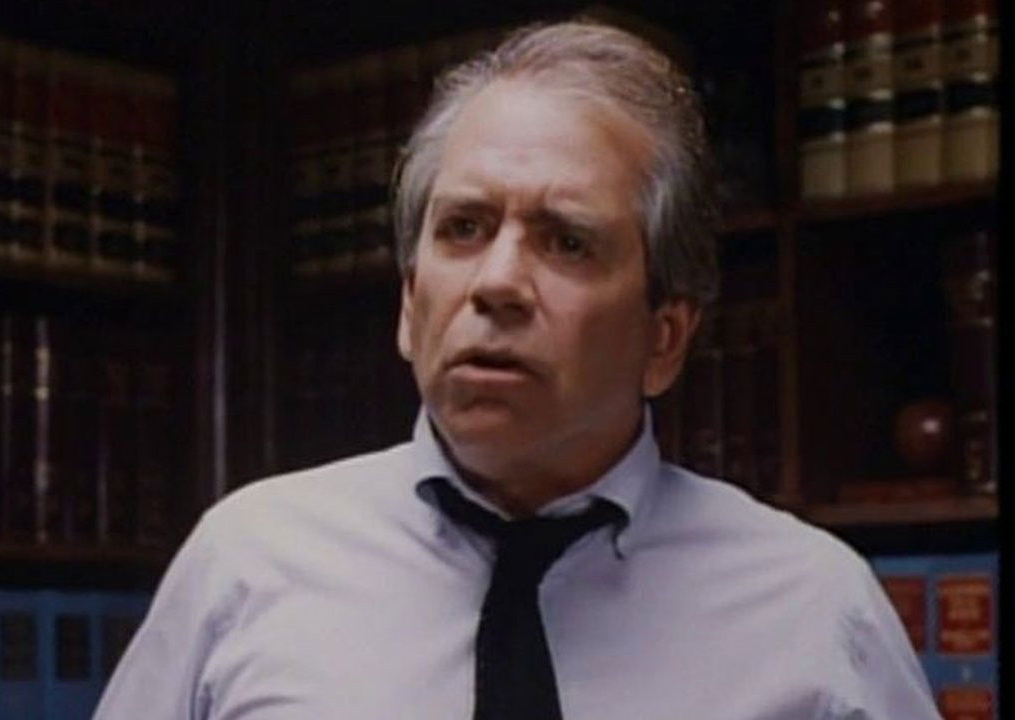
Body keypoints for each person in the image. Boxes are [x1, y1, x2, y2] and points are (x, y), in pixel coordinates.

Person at [94, 19, 941, 720]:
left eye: (567, 241)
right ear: (409, 304)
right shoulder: (246, 566)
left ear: (665, 339)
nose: (497, 283)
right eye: (463, 228)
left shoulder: (817, 615)